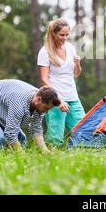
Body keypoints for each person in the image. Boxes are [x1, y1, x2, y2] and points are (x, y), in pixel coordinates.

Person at [0, 79, 61, 154]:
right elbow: (10, 133)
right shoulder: (20, 102)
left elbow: (36, 129)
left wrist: (47, 153)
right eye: (46, 108)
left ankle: (16, 165)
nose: (46, 111)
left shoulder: (40, 103)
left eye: (48, 109)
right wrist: (23, 157)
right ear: (38, 99)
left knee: (21, 138)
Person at [37, 18, 85, 146]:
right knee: (55, 138)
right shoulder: (44, 52)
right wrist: (58, 100)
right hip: (55, 101)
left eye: (67, 35)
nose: (65, 38)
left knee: (83, 131)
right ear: (53, 33)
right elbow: (44, 79)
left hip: (73, 98)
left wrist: (78, 64)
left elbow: (76, 74)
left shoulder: (70, 47)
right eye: (61, 35)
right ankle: (49, 161)